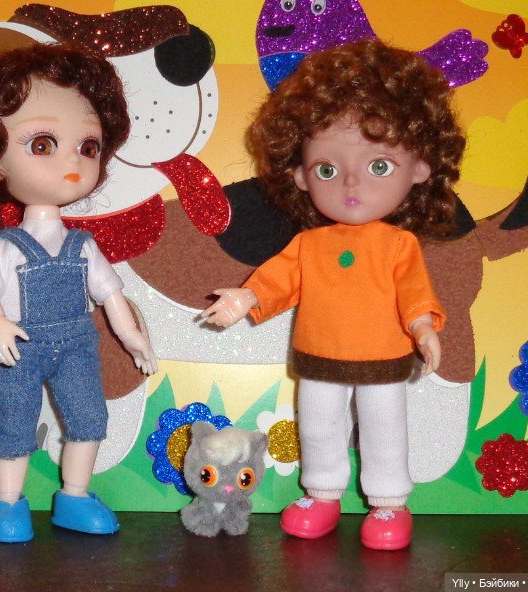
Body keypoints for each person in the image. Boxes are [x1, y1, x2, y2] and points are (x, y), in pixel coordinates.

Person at [202, 39, 465, 550]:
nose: (351, 184)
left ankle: (389, 502)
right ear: (301, 175)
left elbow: (414, 293)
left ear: (420, 167)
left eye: (379, 166)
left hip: (383, 361)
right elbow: (277, 279)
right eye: (327, 169)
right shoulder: (309, 244)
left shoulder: (398, 244)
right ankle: (322, 493)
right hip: (319, 360)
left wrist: (424, 327)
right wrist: (245, 299)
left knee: (384, 429)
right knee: (319, 426)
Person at [0, 43, 157, 543]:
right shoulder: (5, 245)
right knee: (14, 425)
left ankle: (74, 496)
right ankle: (8, 503)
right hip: (19, 345)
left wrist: (132, 336)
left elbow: (110, 295)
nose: (73, 161)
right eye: (42, 144)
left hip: (77, 344)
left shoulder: (83, 244)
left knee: (89, 418)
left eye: (89, 146)